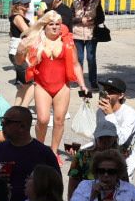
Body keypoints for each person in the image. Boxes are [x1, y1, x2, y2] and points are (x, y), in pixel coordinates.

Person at [17, 10, 85, 153]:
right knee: (42, 120)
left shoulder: (67, 42)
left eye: (57, 24)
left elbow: (76, 64)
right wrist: (20, 51)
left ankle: (53, 152)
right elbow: (19, 61)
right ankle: (40, 149)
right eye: (51, 24)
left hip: (62, 86)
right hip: (42, 85)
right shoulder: (35, 41)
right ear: (44, 26)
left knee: (59, 120)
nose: (55, 27)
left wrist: (82, 85)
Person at [0, 106, 59, 201]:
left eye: (6, 121)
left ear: (22, 126)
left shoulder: (43, 154)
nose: (2, 124)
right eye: (2, 120)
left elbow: (56, 189)